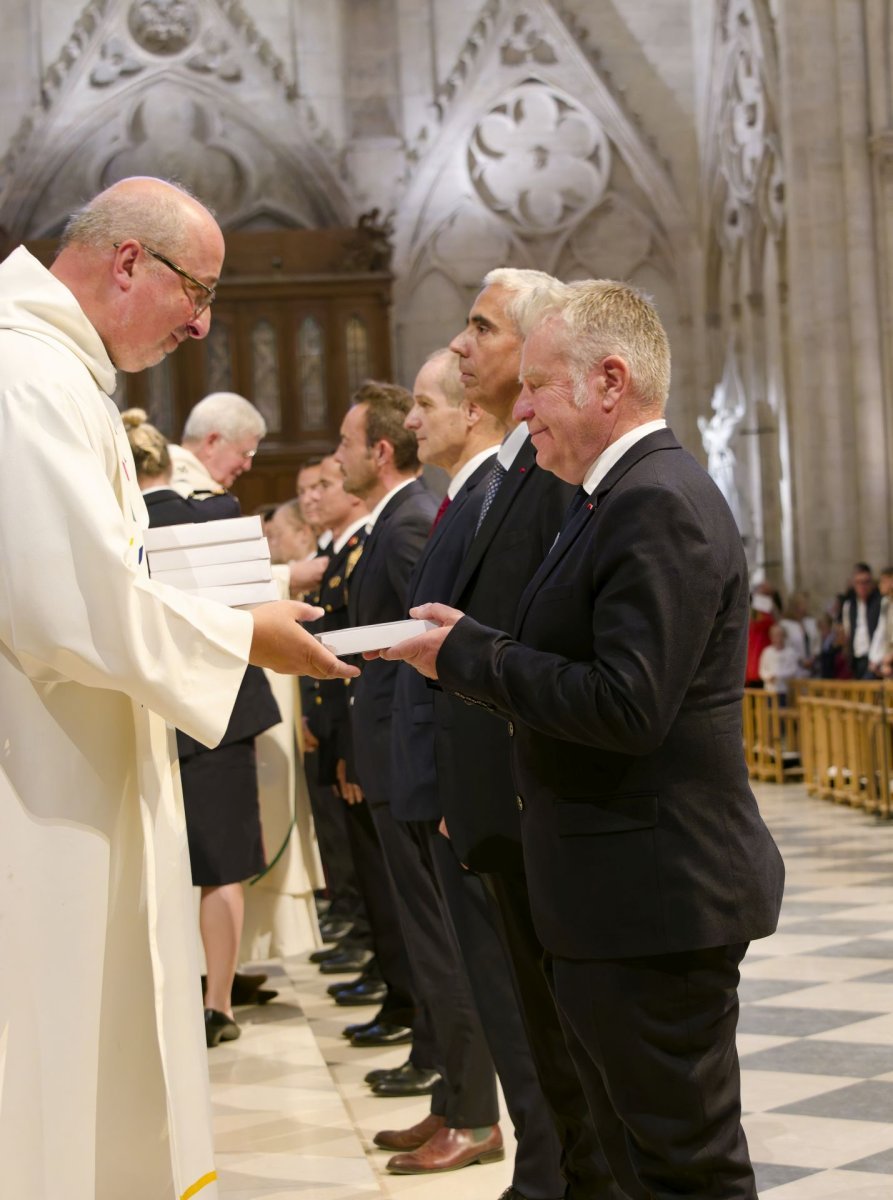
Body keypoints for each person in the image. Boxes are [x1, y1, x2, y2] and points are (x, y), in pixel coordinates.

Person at [382, 278, 785, 1199]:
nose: (518, 409)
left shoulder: (657, 501)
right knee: (627, 1158)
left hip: (654, 897)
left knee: (684, 1168)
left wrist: (468, 658)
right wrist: (473, 650)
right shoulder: (612, 498)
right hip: (610, 896)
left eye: (536, 387)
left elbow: (626, 704)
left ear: (609, 381)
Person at [0, 175, 355, 1200]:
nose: (201, 323)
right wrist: (245, 632)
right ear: (126, 263)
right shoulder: (26, 375)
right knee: (50, 1051)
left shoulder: (57, 371)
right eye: (195, 290)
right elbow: (70, 603)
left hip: (72, 759)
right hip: (40, 784)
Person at [432, 268, 615, 1198]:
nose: (461, 345)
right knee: (532, 1038)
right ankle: (546, 1175)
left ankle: (553, 1176)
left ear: (541, 349)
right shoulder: (508, 470)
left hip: (530, 796)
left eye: (481, 328)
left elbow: (539, 641)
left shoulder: (556, 476)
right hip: (494, 804)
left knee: (569, 1048)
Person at [378, 348, 567, 1192]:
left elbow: (500, 644)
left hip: (488, 787)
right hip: (449, 778)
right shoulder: (470, 494)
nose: (412, 419)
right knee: (487, 981)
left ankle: (530, 1158)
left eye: (425, 402)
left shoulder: (508, 489)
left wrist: (476, 785)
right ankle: (524, 1153)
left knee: (511, 992)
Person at [126, 408, 283, 1045]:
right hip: (224, 708)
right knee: (223, 865)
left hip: (156, 713)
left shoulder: (120, 531)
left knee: (160, 862)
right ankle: (218, 1002)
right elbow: (253, 610)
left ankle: (172, 994)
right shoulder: (218, 517)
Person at [842, 563, 881, 678]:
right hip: (856, 659)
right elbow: (848, 633)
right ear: (853, 584)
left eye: (866, 582)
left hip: (875, 659)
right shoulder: (849, 606)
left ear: (872, 583)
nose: (862, 586)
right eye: (858, 582)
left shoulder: (879, 603)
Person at [758, 623, 800, 700]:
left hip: (785, 690)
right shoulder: (766, 652)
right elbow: (762, 670)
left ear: (784, 636)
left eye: (780, 635)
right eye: (775, 635)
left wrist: (778, 676)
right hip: (769, 690)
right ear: (771, 637)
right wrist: (768, 677)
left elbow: (793, 670)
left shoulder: (790, 652)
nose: (778, 638)